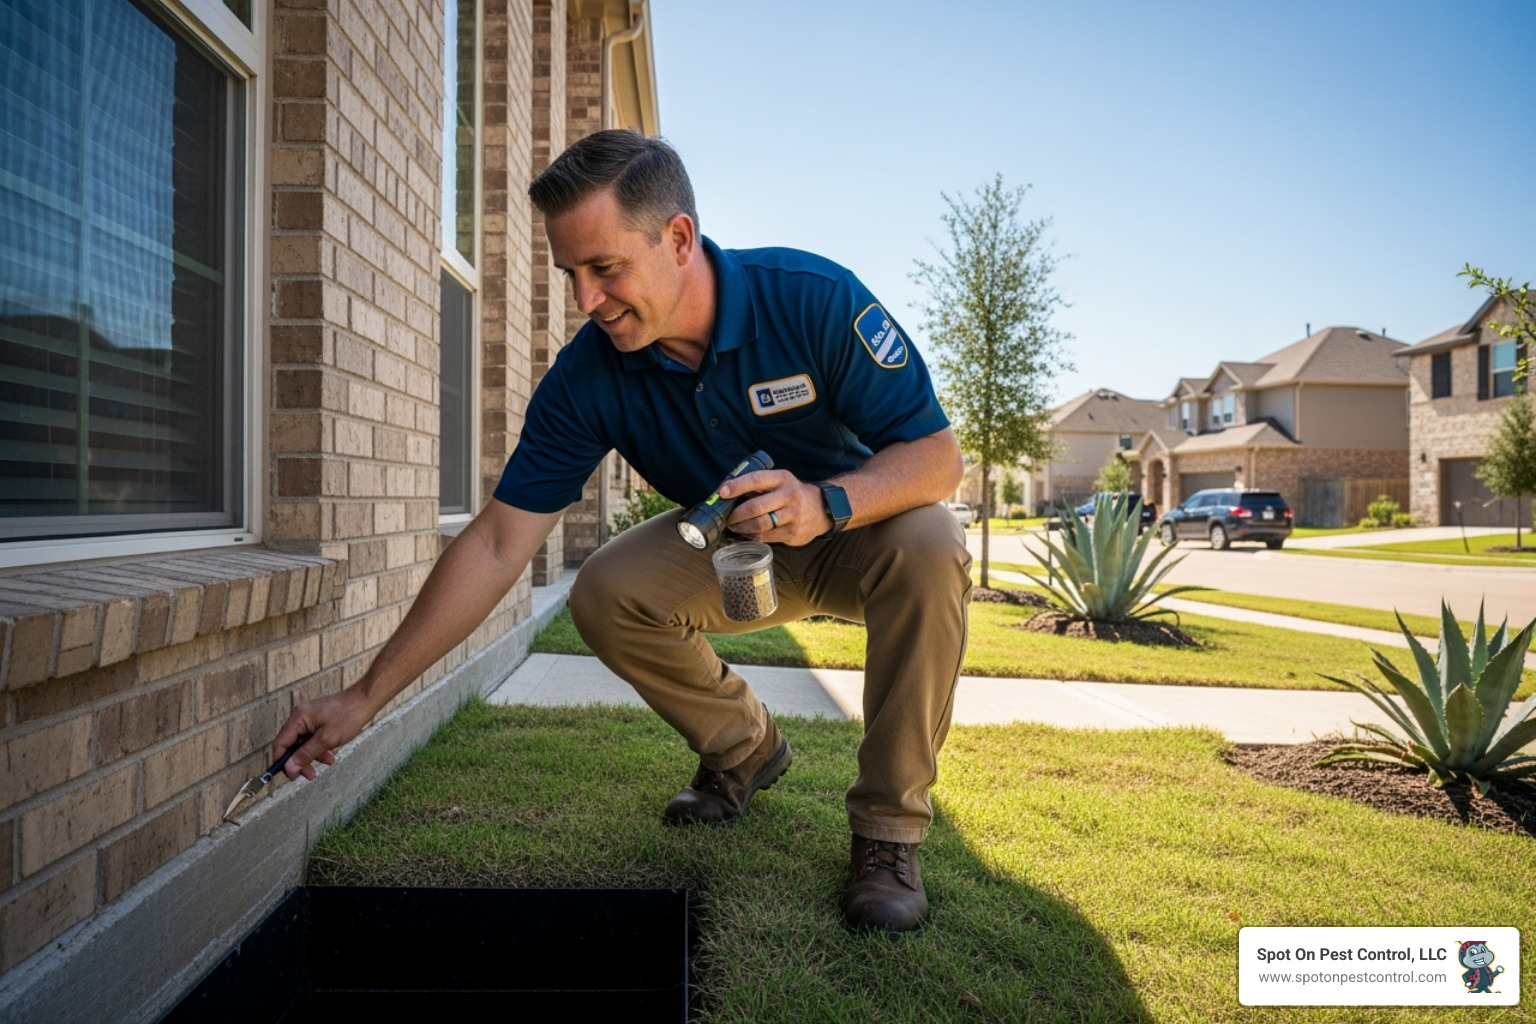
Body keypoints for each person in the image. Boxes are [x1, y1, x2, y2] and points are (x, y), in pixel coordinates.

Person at [271, 130, 971, 935]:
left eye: (605, 268)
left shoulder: (811, 298)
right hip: (733, 552)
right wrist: (364, 697)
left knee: (933, 543)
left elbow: (939, 457)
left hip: (860, 535)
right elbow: (498, 542)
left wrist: (826, 502)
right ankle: (743, 747)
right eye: (570, 273)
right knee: (604, 591)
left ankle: (887, 833)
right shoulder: (589, 375)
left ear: (678, 238)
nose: (586, 300)